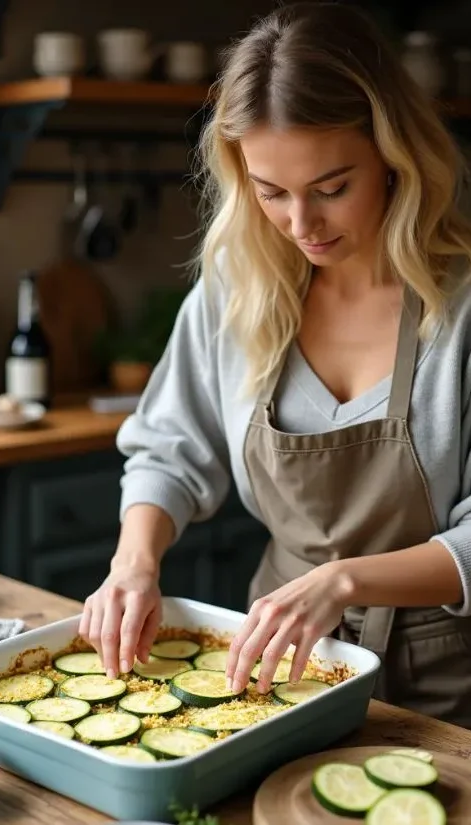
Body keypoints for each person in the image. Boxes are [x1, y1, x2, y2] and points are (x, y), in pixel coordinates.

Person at [78, 1, 471, 728]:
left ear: (393, 154)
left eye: (331, 188)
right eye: (270, 193)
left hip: (449, 688)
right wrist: (133, 561)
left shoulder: (463, 307)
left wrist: (345, 580)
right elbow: (169, 445)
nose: (301, 225)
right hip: (275, 669)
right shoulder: (237, 284)